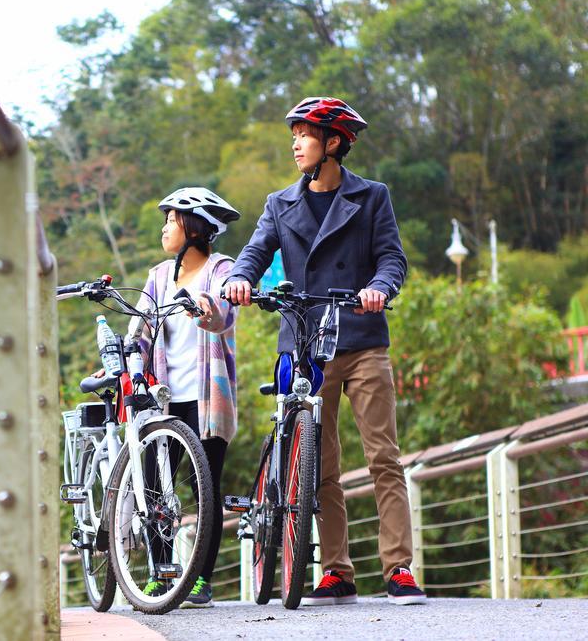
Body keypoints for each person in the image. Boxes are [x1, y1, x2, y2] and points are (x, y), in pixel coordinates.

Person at [223, 97, 427, 605]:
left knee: (384, 457)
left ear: (333, 143)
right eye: (293, 135)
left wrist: (380, 287)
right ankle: (337, 570)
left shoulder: (372, 197)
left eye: (305, 134)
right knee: (321, 465)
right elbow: (255, 250)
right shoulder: (279, 203)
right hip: (305, 342)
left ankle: (398, 568)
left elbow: (391, 258)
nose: (295, 144)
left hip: (361, 341)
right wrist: (240, 279)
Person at [120, 186, 240, 608]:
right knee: (155, 486)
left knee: (205, 489)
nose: (164, 228)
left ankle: (201, 581)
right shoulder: (157, 276)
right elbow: (141, 330)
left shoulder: (222, 268)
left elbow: (222, 312)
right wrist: (122, 357)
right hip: (165, 401)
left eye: (171, 221)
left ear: (194, 228)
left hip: (208, 399)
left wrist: (202, 306)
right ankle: (162, 574)